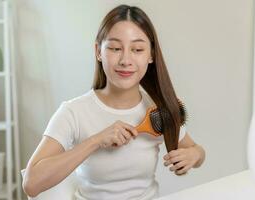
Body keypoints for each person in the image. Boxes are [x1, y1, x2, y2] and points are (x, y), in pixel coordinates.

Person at [22, 4, 205, 200]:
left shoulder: (157, 111)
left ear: (151, 55)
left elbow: (198, 151)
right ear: (98, 51)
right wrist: (96, 140)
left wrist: (194, 156)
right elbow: (31, 184)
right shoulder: (73, 112)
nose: (126, 60)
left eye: (137, 49)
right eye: (116, 48)